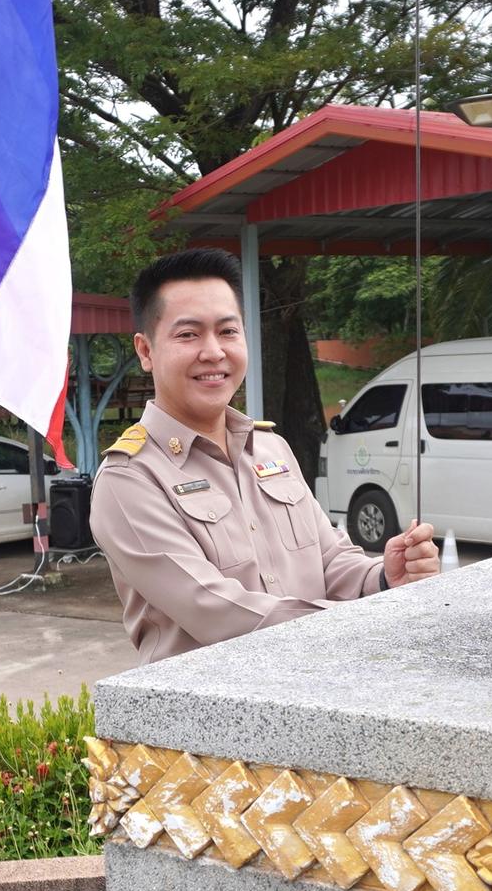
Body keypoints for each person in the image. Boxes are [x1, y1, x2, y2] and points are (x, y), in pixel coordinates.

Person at [91, 249, 442, 663]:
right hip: (211, 715)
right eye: (188, 335)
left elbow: (330, 560)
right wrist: (359, 623)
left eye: (227, 331)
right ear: (146, 351)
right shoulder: (130, 479)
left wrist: (383, 577)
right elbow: (217, 612)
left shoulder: (270, 447)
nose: (213, 352)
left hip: (313, 689)